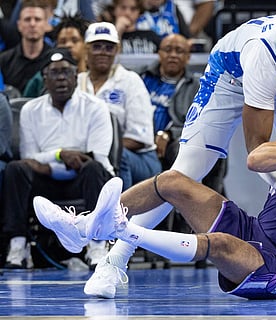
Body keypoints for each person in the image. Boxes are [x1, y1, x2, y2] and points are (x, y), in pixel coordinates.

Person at [62, 3, 276, 298]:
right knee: (184, 174)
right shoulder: (263, 56)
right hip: (231, 80)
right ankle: (114, 261)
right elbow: (256, 151)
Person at [34, 102, 276, 299]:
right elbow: (255, 159)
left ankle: (122, 230)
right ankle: (83, 227)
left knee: (220, 245)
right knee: (173, 180)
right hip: (253, 230)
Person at [0, 48, 115, 269]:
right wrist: (60, 154)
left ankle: (97, 244)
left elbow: (96, 156)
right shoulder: (30, 110)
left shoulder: (96, 107)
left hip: (84, 180)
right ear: (44, 78)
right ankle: (18, 245)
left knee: (92, 168)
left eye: (66, 72)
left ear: (76, 75)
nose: (61, 78)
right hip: (46, 185)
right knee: (16, 169)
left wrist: (47, 165)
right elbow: (29, 158)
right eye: (54, 73)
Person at [142, 33, 226, 267]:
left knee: (206, 155)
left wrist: (167, 134)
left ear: (188, 57)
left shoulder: (197, 85)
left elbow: (199, 121)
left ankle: (199, 229)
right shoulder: (142, 80)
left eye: (179, 50)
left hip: (177, 143)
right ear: (159, 54)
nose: (173, 55)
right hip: (141, 143)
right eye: (168, 49)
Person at [78, 21, 160, 191]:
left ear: (117, 50)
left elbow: (139, 139)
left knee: (116, 153)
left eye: (109, 47)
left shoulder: (130, 81)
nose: (103, 52)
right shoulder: (77, 83)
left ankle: (120, 213)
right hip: (90, 155)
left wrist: (99, 148)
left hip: (140, 159)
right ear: (86, 49)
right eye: (97, 46)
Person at [23, 13, 90, 97]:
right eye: (63, 41)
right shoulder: (41, 78)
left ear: (86, 44)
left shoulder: (94, 76)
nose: (68, 45)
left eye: (74, 40)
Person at [0, 0, 52, 94]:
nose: (32, 24)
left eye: (37, 19)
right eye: (27, 19)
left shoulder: (54, 59)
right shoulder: (4, 60)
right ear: (19, 25)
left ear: (46, 25)